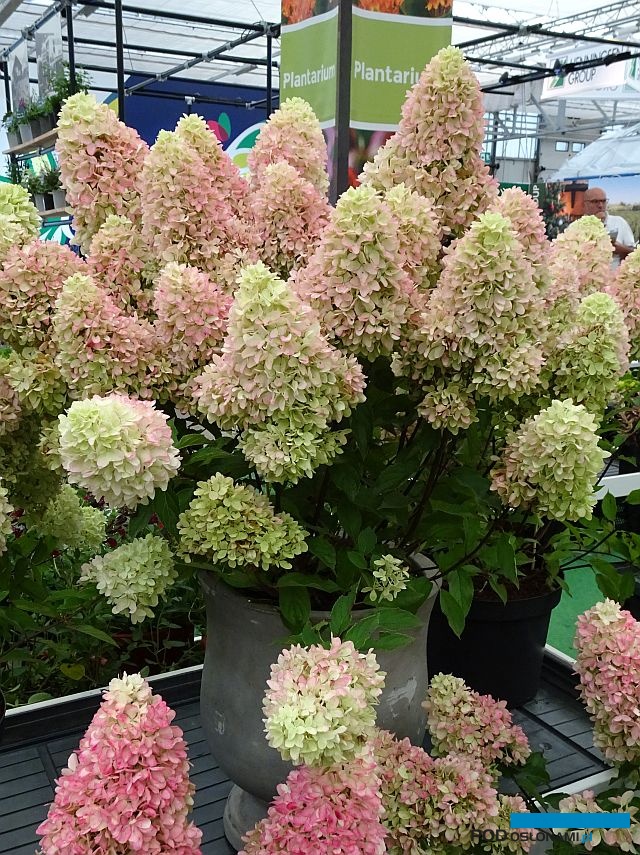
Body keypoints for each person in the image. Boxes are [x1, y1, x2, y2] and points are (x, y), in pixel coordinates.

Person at [582, 187, 636, 267]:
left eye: (603, 201)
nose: (600, 205)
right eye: (595, 201)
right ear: (585, 204)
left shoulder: (619, 222)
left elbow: (634, 252)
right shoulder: (576, 227)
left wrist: (620, 249)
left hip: (616, 273)